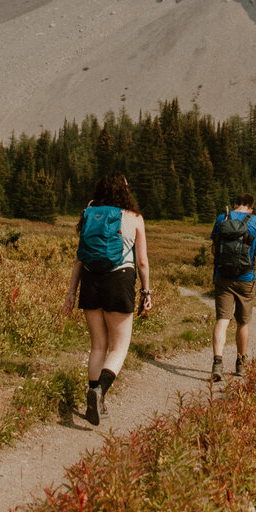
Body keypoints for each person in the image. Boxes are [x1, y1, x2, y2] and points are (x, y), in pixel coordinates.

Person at [63, 174, 150, 426]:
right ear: (124, 191)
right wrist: (147, 292)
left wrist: (71, 292)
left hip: (90, 281)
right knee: (119, 347)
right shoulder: (134, 218)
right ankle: (99, 392)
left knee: (98, 346)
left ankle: (94, 399)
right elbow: (142, 262)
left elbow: (80, 257)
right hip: (119, 280)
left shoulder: (90, 214)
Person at [209, 193, 256, 383]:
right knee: (243, 322)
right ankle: (240, 364)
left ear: (235, 204)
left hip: (223, 278)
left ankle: (217, 363)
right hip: (246, 278)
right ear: (251, 207)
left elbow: (214, 250)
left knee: (222, 319)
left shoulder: (221, 218)